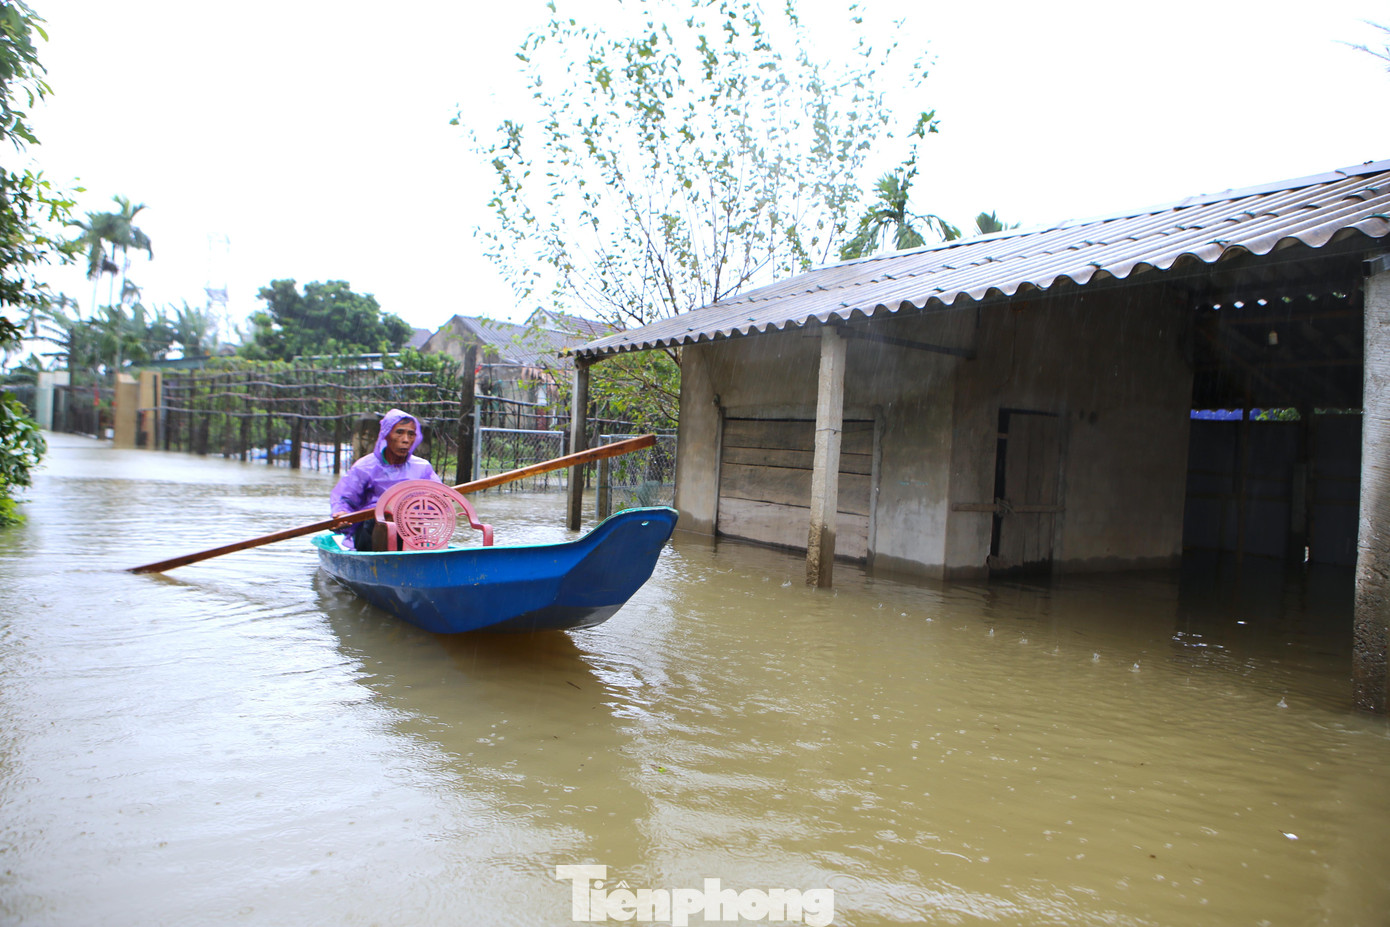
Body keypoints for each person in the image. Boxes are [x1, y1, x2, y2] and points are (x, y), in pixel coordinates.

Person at [330, 409, 442, 550]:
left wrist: (410, 511)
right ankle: (382, 560)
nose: (406, 440)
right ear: (386, 435)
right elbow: (344, 500)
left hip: (410, 529)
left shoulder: (423, 468)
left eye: (411, 434)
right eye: (399, 432)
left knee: (409, 520)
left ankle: (417, 555)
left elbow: (438, 500)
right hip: (370, 530)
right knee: (385, 521)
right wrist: (342, 515)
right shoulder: (364, 467)